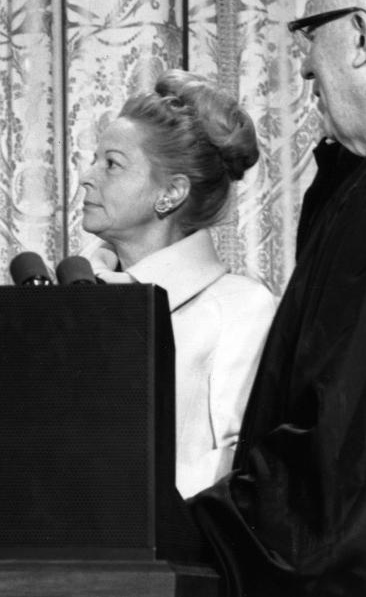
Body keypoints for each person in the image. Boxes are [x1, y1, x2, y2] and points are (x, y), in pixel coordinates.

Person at [189, 0, 366, 596]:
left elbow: (340, 448)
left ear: (361, 35)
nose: (306, 69)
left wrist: (195, 525)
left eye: (308, 33)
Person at [79, 69, 276, 499]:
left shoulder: (243, 311)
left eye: (111, 164)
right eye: (94, 159)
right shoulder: (76, 294)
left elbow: (234, 474)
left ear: (170, 194)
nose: (86, 177)